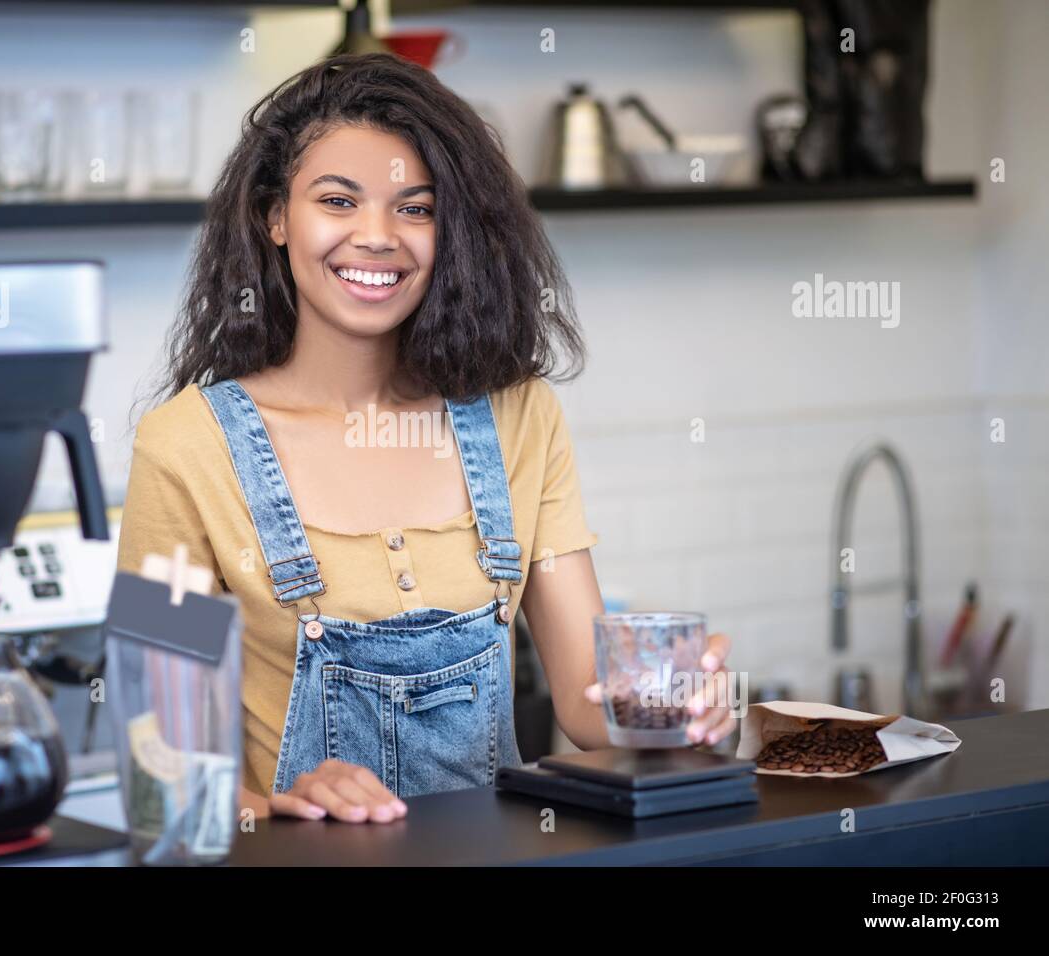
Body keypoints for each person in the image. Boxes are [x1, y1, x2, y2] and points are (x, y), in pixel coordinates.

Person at [118, 53, 736, 823]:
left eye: (416, 208)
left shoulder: (520, 414)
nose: (377, 237)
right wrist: (274, 807)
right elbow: (162, 776)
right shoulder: (184, 446)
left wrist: (677, 709)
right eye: (338, 201)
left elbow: (588, 708)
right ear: (276, 217)